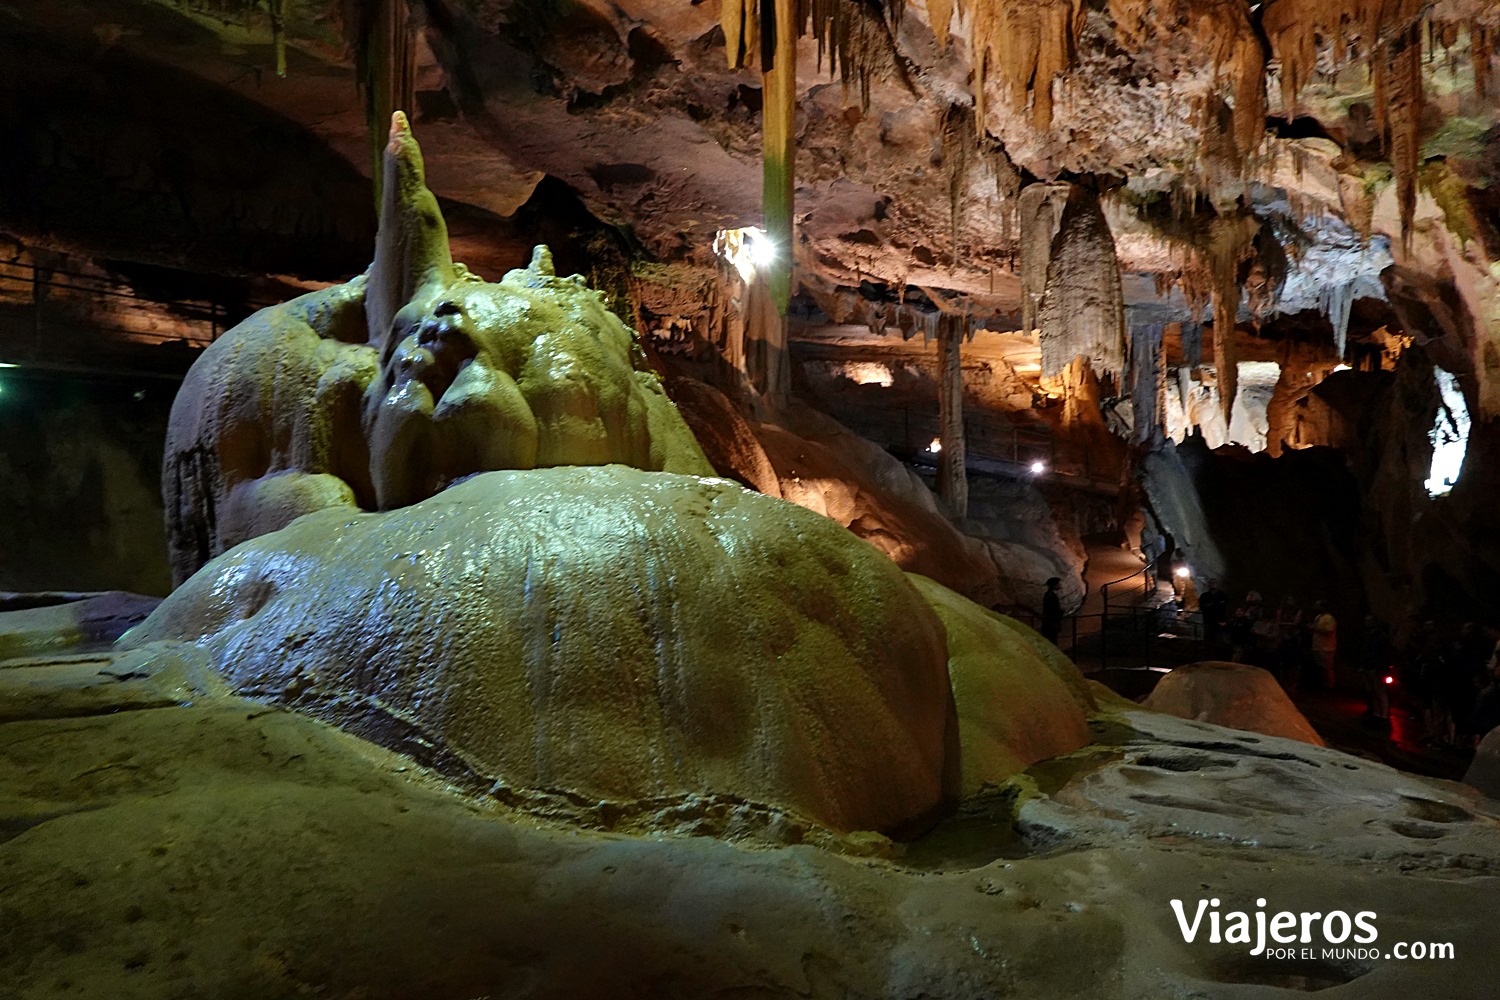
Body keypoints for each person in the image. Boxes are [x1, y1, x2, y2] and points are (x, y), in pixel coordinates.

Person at [1310, 601, 1337, 688]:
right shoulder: (1318, 617)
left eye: (1317, 606)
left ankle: (1330, 685)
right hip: (1318, 646)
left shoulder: (1329, 618)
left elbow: (1329, 630)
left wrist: (1315, 627)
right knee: (1320, 667)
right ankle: (1321, 685)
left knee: (1327, 668)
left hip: (1327, 647)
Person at [1040, 577, 1064, 645]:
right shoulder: (1050, 596)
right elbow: (1052, 610)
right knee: (1051, 640)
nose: (1060, 585)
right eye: (1058, 583)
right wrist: (1060, 612)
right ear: (1054, 585)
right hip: (1051, 623)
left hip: (1050, 623)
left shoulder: (1050, 595)